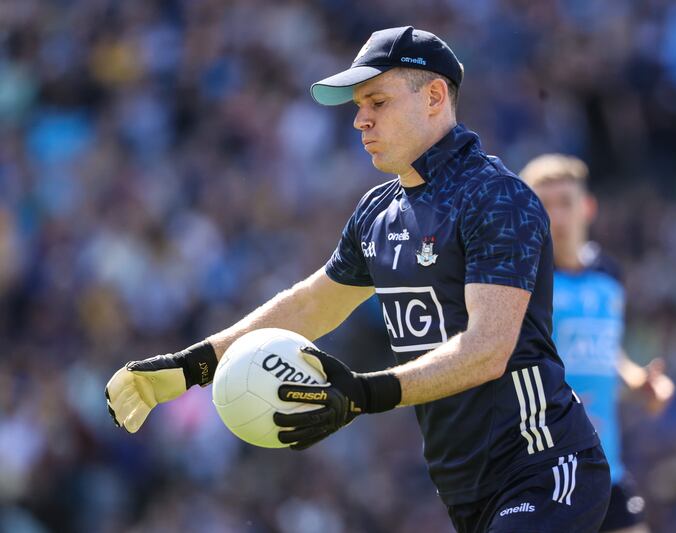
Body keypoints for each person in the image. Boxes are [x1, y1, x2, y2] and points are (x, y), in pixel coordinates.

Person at [105, 27, 611, 532]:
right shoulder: (378, 212)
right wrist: (191, 367)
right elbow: (310, 306)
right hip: (466, 493)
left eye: (377, 101)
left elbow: (488, 349)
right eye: (358, 104)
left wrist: (362, 393)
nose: (359, 119)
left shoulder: (498, 197)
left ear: (434, 96)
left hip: (545, 470)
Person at [521, 155, 675, 533]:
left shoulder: (609, 276)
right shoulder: (521, 283)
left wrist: (639, 381)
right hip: (543, 474)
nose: (556, 217)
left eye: (566, 203)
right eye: (544, 205)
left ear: (588, 207)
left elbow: (607, 351)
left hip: (606, 467)